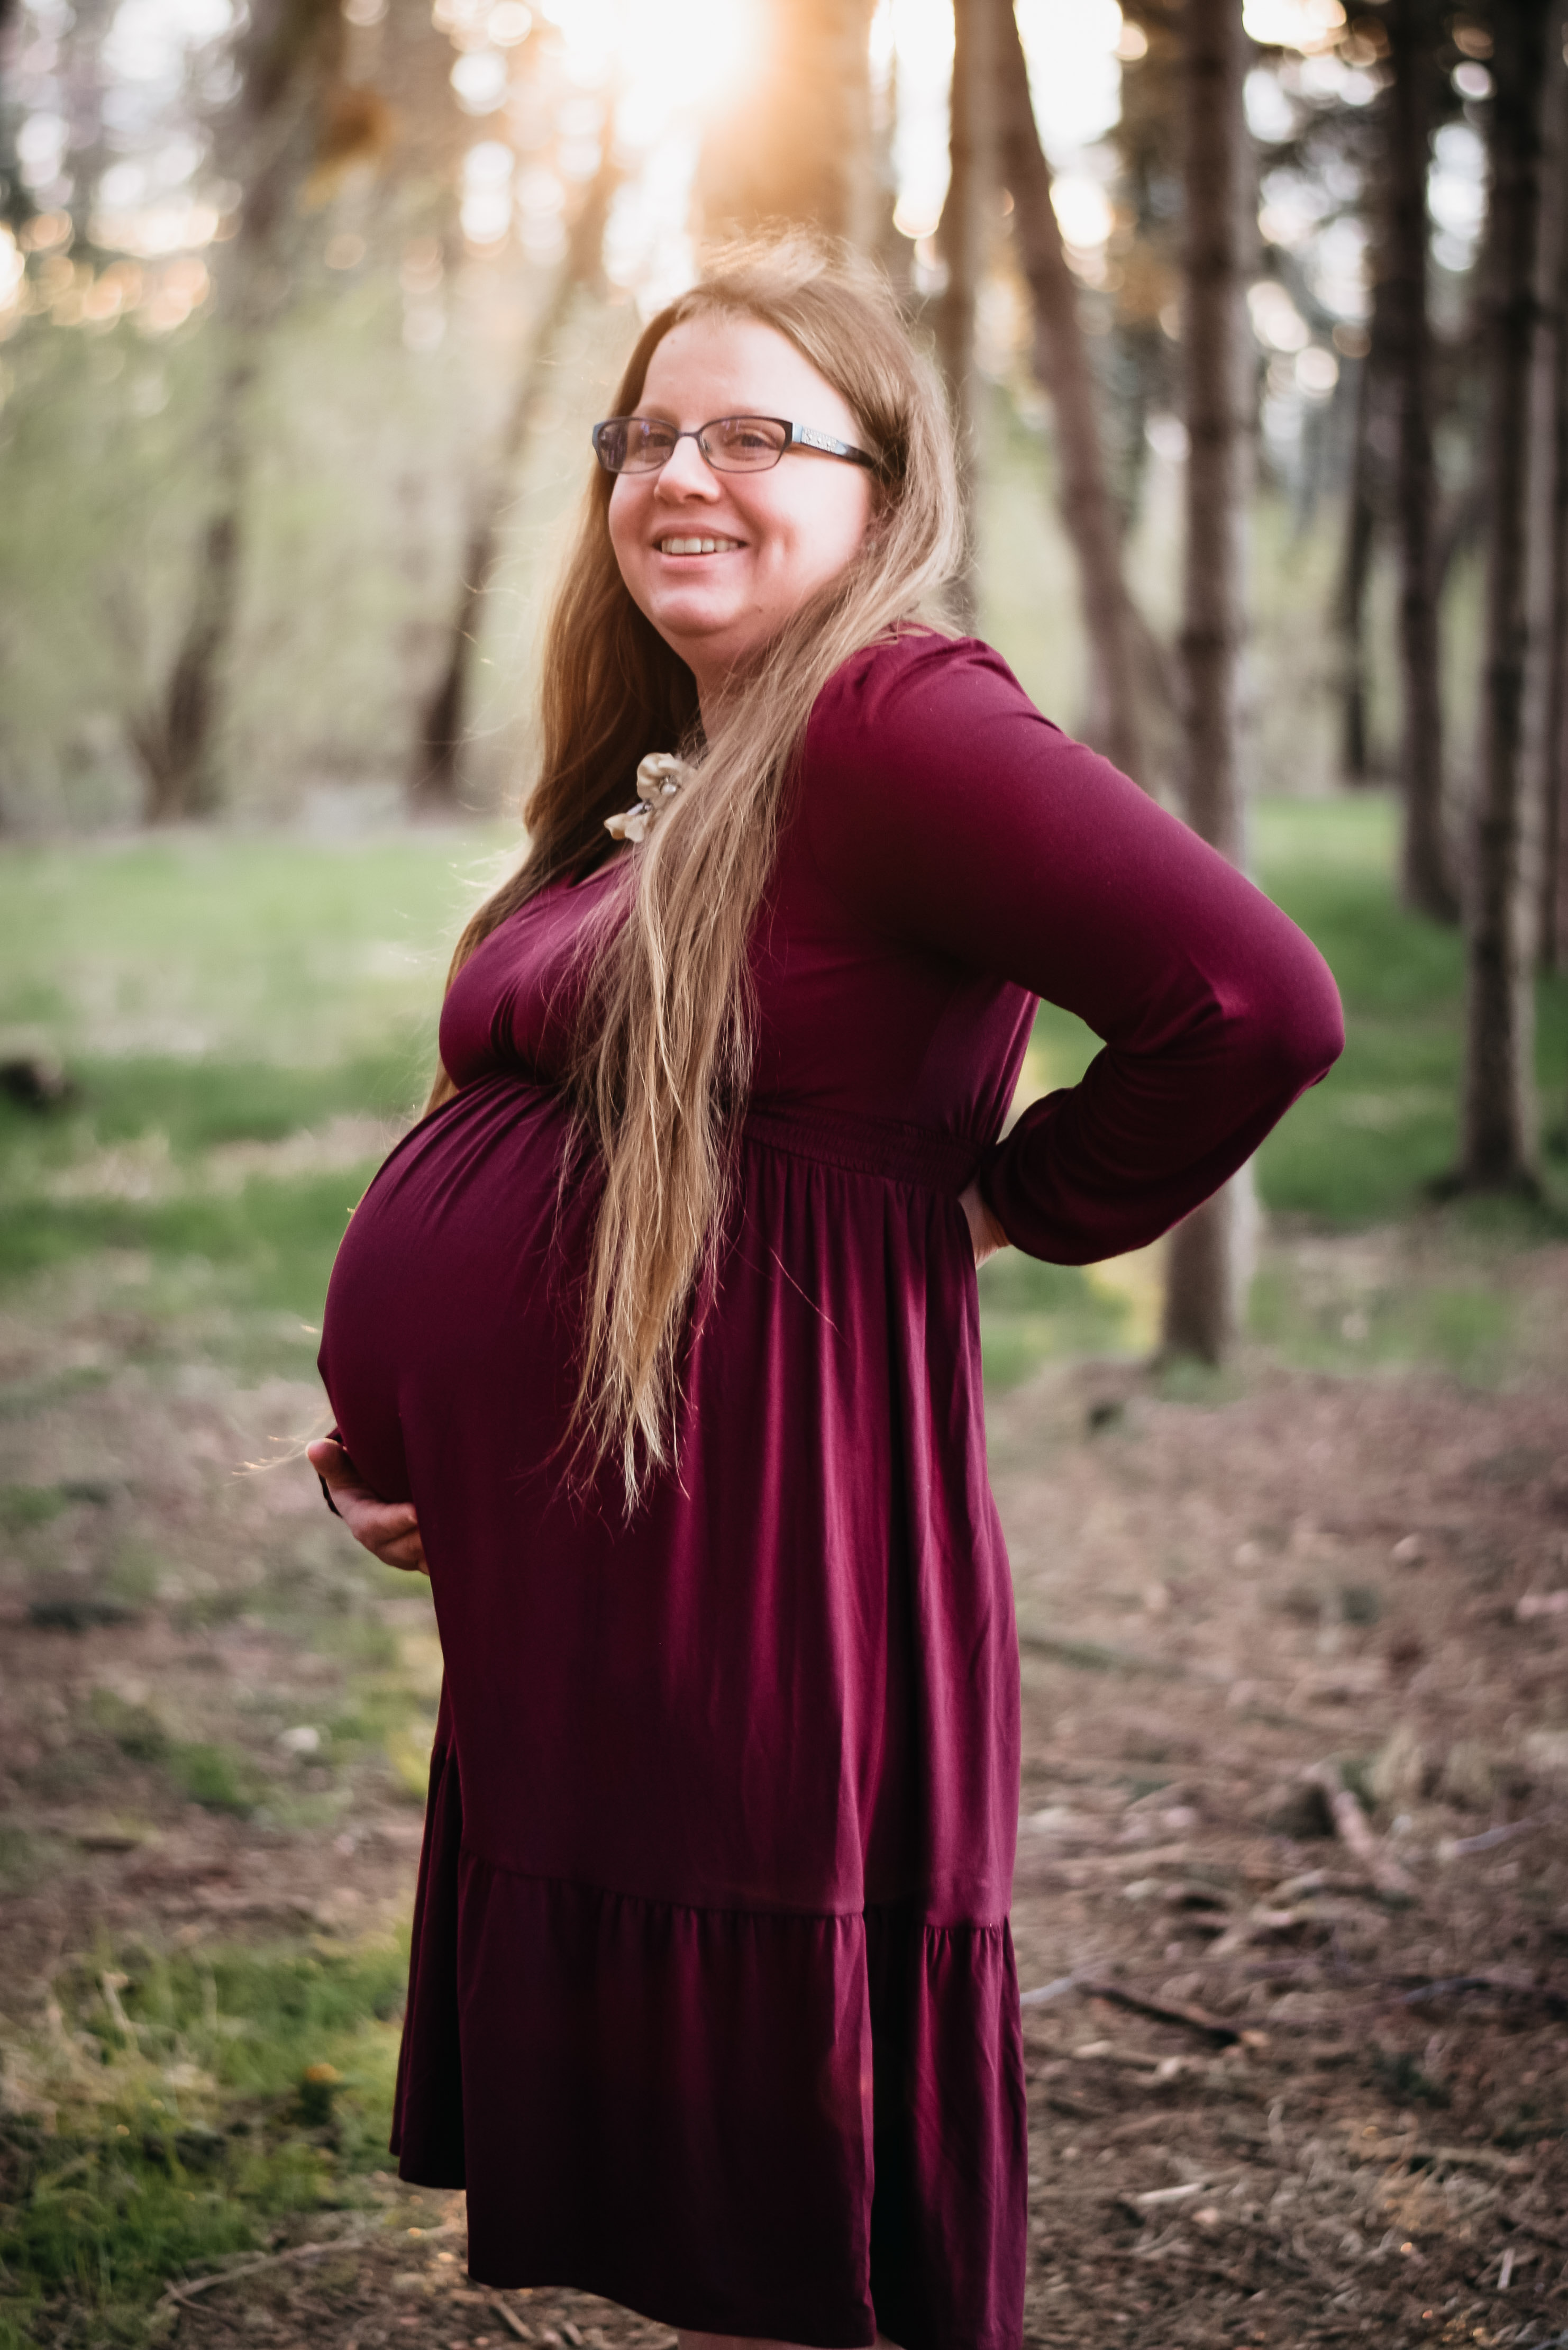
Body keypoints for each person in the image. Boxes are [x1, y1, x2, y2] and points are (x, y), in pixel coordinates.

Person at [308, 235, 1343, 2350]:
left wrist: (998, 1208)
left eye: (754, 435)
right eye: (645, 435)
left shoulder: (893, 716)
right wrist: (424, 1443)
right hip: (621, 1566)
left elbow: (1252, 1006)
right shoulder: (678, 768)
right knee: (717, 2216)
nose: (680, 475)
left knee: (785, 2207)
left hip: (764, 1547)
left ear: (881, 490)